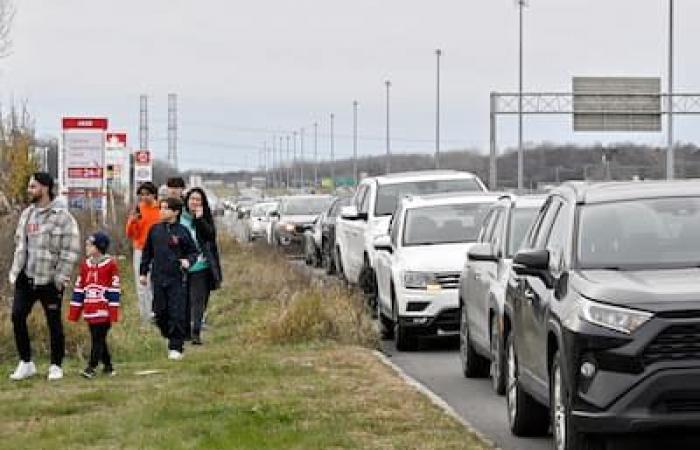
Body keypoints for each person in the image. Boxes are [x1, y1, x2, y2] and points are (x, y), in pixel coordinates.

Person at [8, 172, 81, 381]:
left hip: (50, 280)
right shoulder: (27, 214)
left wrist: (60, 277)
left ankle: (56, 365)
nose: (29, 190)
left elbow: (71, 251)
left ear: (46, 188)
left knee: (53, 322)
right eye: (29, 186)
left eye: (33, 187)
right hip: (26, 277)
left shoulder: (63, 217)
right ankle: (26, 362)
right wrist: (16, 271)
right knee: (17, 316)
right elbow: (20, 244)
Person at [140, 197, 198, 360]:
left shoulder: (182, 231)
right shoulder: (154, 230)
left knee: (176, 312)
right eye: (161, 208)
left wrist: (188, 261)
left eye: (166, 208)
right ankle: (168, 333)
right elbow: (147, 253)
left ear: (175, 212)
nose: (162, 211)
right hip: (158, 277)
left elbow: (193, 252)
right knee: (160, 312)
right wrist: (143, 273)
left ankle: (176, 346)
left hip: (177, 278)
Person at [68, 232, 120, 378]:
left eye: (90, 245)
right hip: (90, 310)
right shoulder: (85, 266)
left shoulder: (110, 265)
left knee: (97, 338)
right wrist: (75, 310)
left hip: (104, 311)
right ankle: (109, 367)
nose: (86, 247)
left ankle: (91, 367)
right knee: (99, 339)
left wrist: (113, 310)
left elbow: (114, 288)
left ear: (99, 247)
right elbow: (79, 288)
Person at [181, 188, 222, 345]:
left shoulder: (205, 217)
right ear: (187, 200)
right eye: (192, 199)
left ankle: (196, 332)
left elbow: (210, 235)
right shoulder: (179, 217)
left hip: (201, 265)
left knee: (199, 301)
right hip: (183, 265)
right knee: (184, 300)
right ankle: (185, 331)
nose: (195, 202)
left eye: (198, 200)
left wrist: (199, 220)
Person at [125, 182, 160, 325]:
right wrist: (132, 221)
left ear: (154, 194)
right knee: (141, 284)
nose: (145, 197)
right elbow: (130, 234)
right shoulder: (138, 209)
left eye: (148, 194)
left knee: (156, 284)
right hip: (140, 249)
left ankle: (156, 315)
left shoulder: (160, 209)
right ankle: (145, 319)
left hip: (158, 250)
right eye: (142, 194)